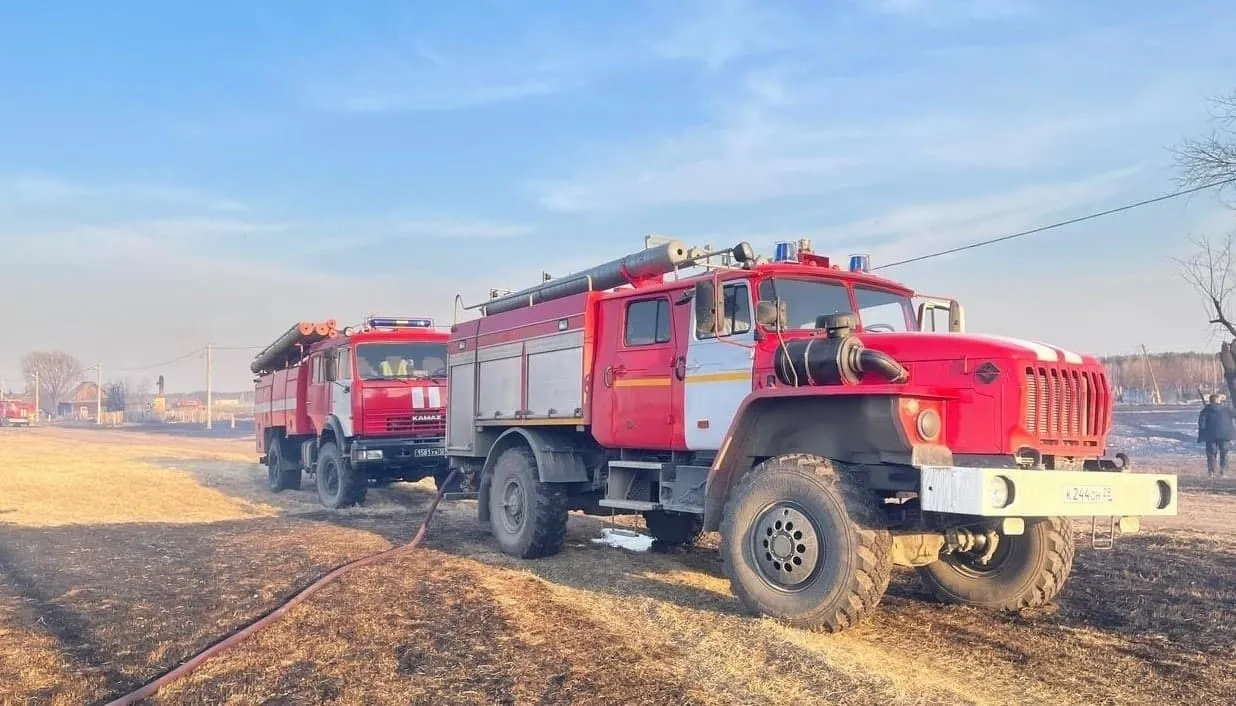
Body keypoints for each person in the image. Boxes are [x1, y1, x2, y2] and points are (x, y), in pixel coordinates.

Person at [1197, 394, 1235, 477]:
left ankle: (1211, 472)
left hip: (1210, 435)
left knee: (1211, 453)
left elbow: (1201, 424)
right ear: (1218, 400)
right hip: (1225, 434)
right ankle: (1223, 471)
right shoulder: (1227, 409)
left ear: (1210, 401)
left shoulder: (1205, 410)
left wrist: (1202, 434)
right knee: (1224, 453)